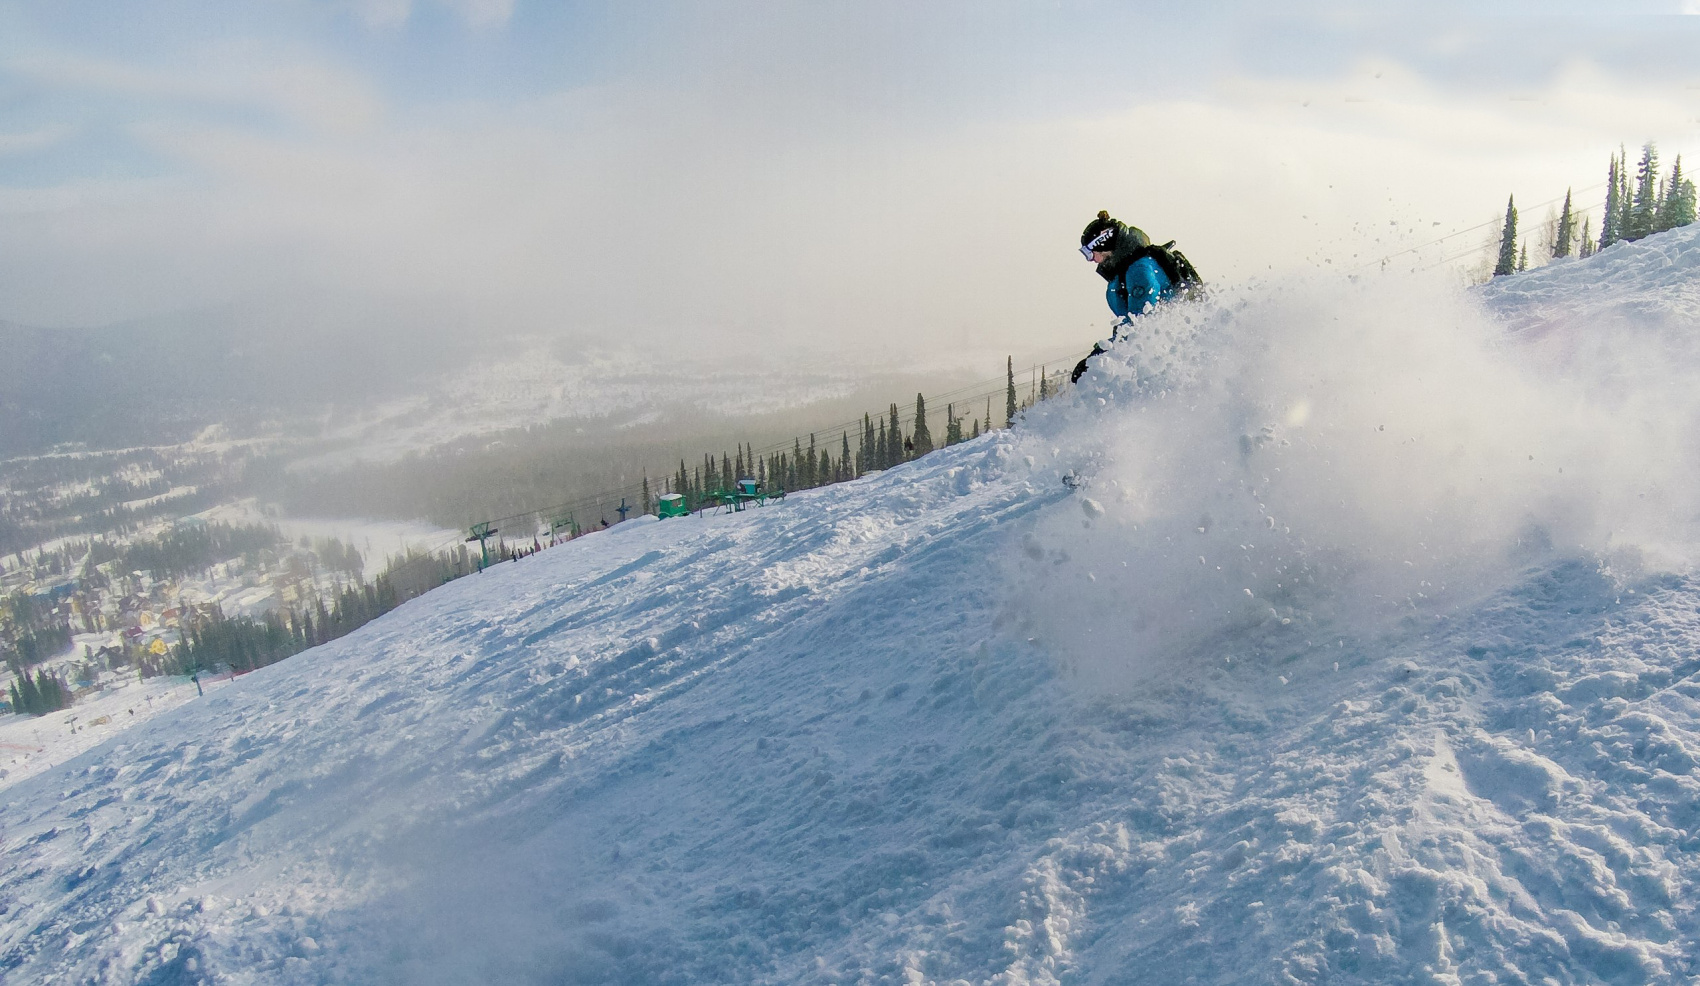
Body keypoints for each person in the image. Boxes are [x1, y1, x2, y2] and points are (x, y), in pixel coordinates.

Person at [1071, 210, 1182, 382]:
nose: (1091, 260)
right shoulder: (1125, 271)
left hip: (1164, 356)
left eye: (1090, 253)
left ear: (1103, 244)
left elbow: (1140, 327)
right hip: (1156, 355)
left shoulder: (1138, 272)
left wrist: (1097, 358)